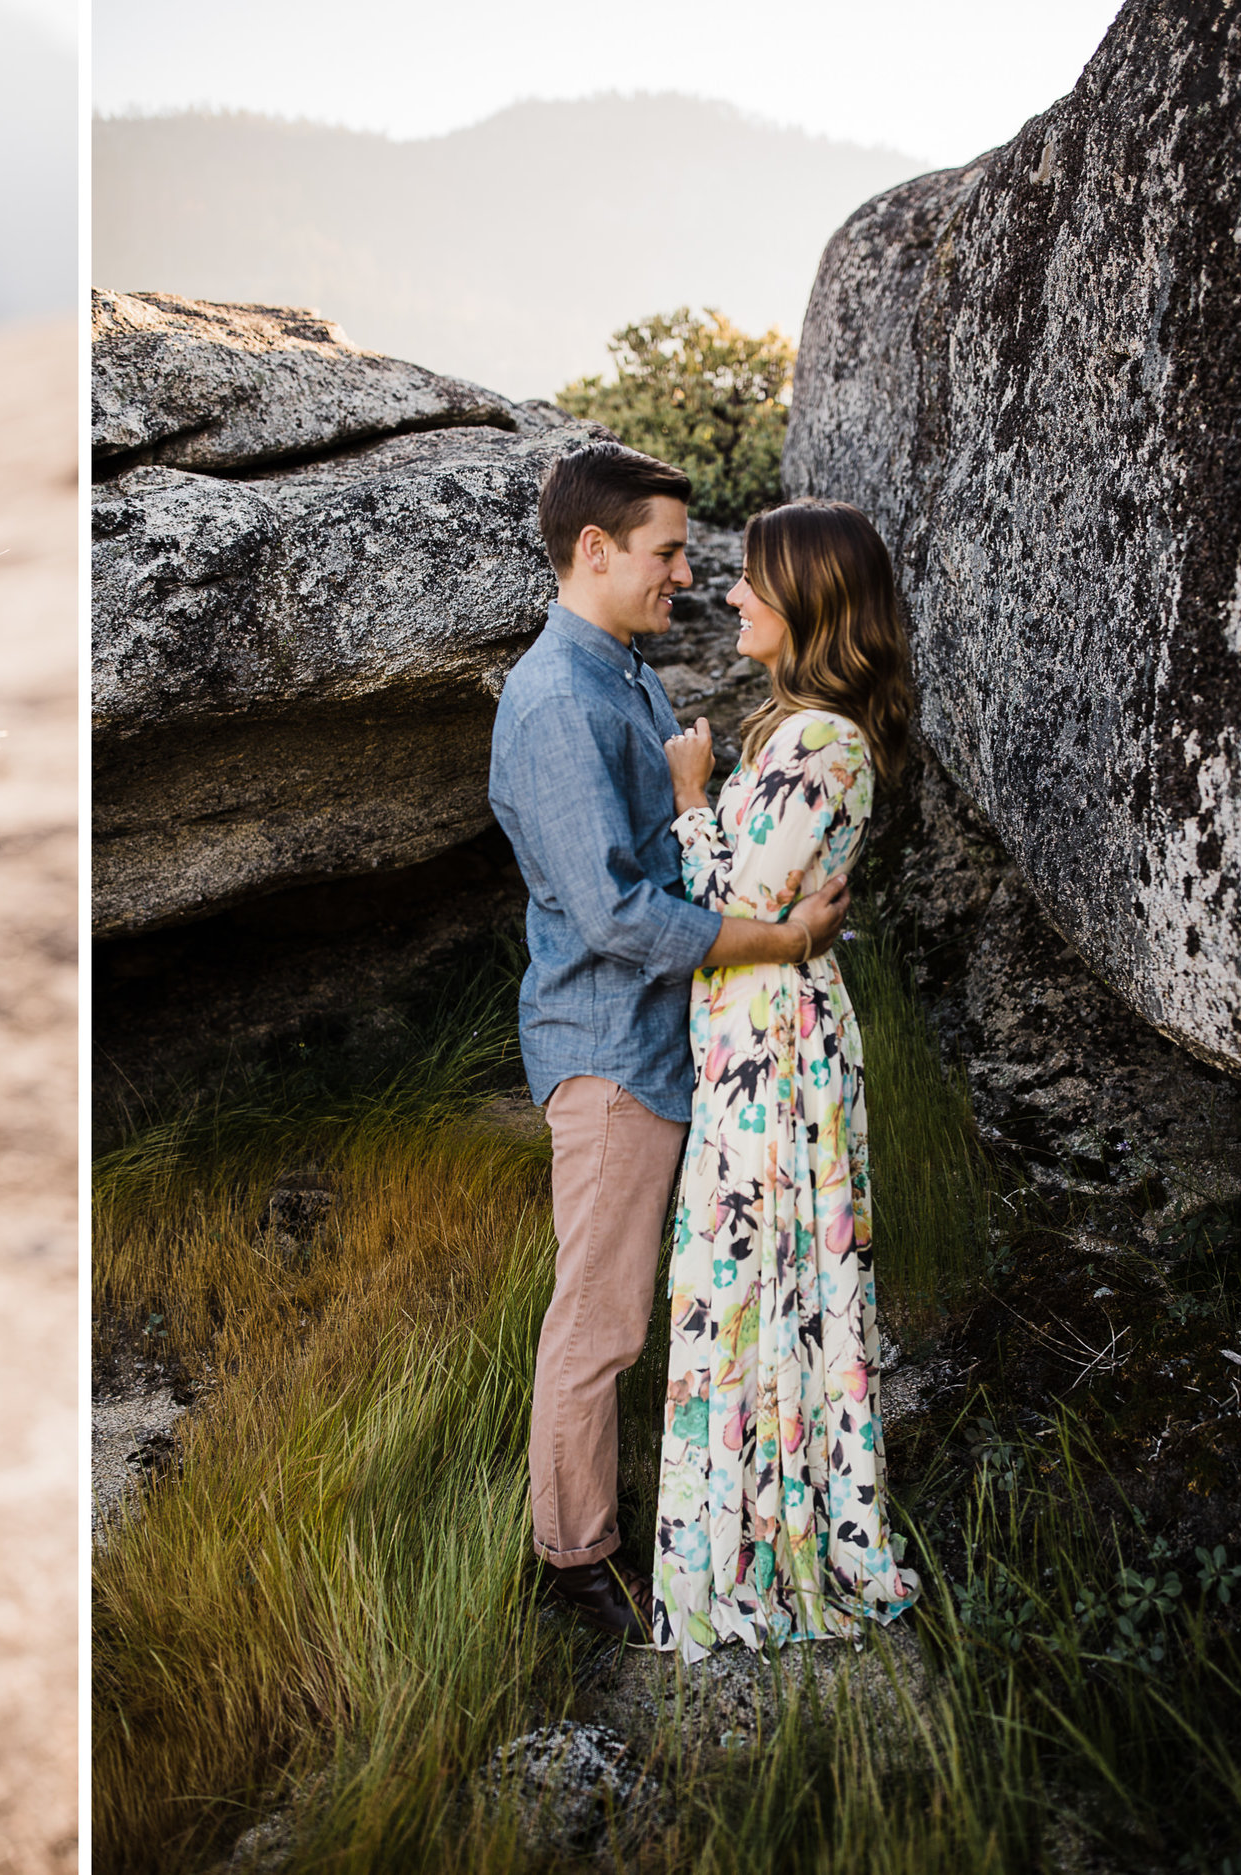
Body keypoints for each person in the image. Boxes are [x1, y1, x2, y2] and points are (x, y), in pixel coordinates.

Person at [486, 445, 847, 1643]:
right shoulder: (555, 699)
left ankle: (644, 1517)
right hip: (610, 1054)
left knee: (651, 1312)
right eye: (666, 552)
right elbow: (612, 914)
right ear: (594, 551)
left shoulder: (622, 675)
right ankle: (574, 1563)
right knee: (600, 1324)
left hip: (666, 1042)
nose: (685, 576)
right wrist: (778, 939)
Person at [652, 499, 921, 1659]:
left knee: (767, 1292)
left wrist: (685, 800)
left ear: (810, 598)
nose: (729, 595)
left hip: (778, 1051)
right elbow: (769, 917)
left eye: (752, 582)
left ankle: (781, 1545)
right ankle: (745, 1534)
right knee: (741, 1291)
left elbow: (734, 910)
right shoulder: (791, 730)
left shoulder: (828, 742)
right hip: (747, 1037)